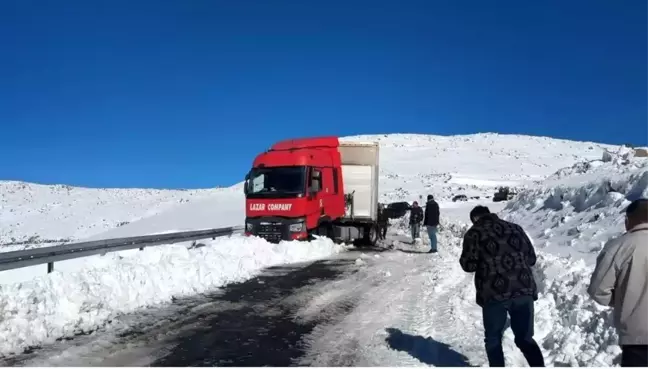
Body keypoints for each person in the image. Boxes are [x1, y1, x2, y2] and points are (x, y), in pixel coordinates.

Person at [460, 205, 544, 367]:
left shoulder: (474, 233)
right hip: (523, 289)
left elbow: (468, 265)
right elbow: (531, 259)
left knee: (493, 339)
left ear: (475, 219)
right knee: (525, 338)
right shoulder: (515, 228)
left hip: (493, 292)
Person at [588, 198, 648, 367]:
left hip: (637, 337)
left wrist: (621, 300)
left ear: (628, 220)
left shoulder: (618, 247)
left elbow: (597, 290)